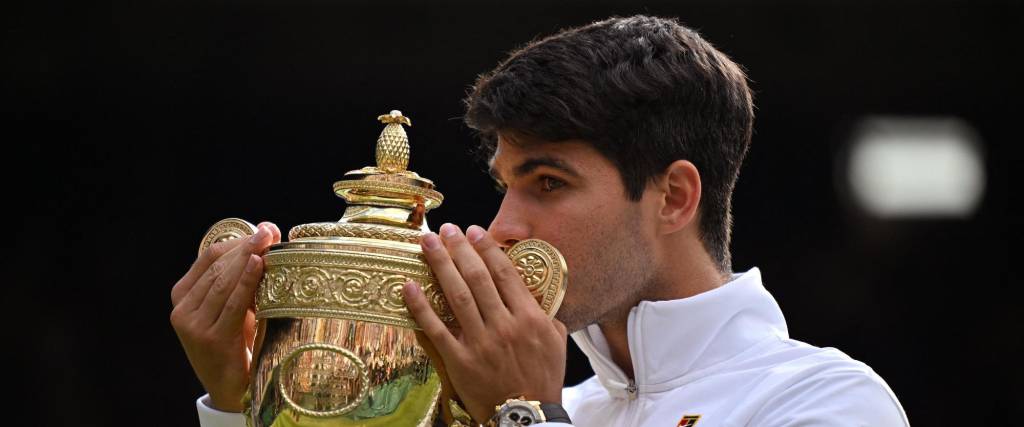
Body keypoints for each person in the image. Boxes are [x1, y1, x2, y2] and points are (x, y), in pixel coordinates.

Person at [172, 15, 909, 427]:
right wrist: (244, 400)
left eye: (548, 182)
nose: (498, 228)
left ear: (674, 197)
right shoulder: (541, 403)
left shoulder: (827, 402)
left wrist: (524, 417)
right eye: (503, 185)